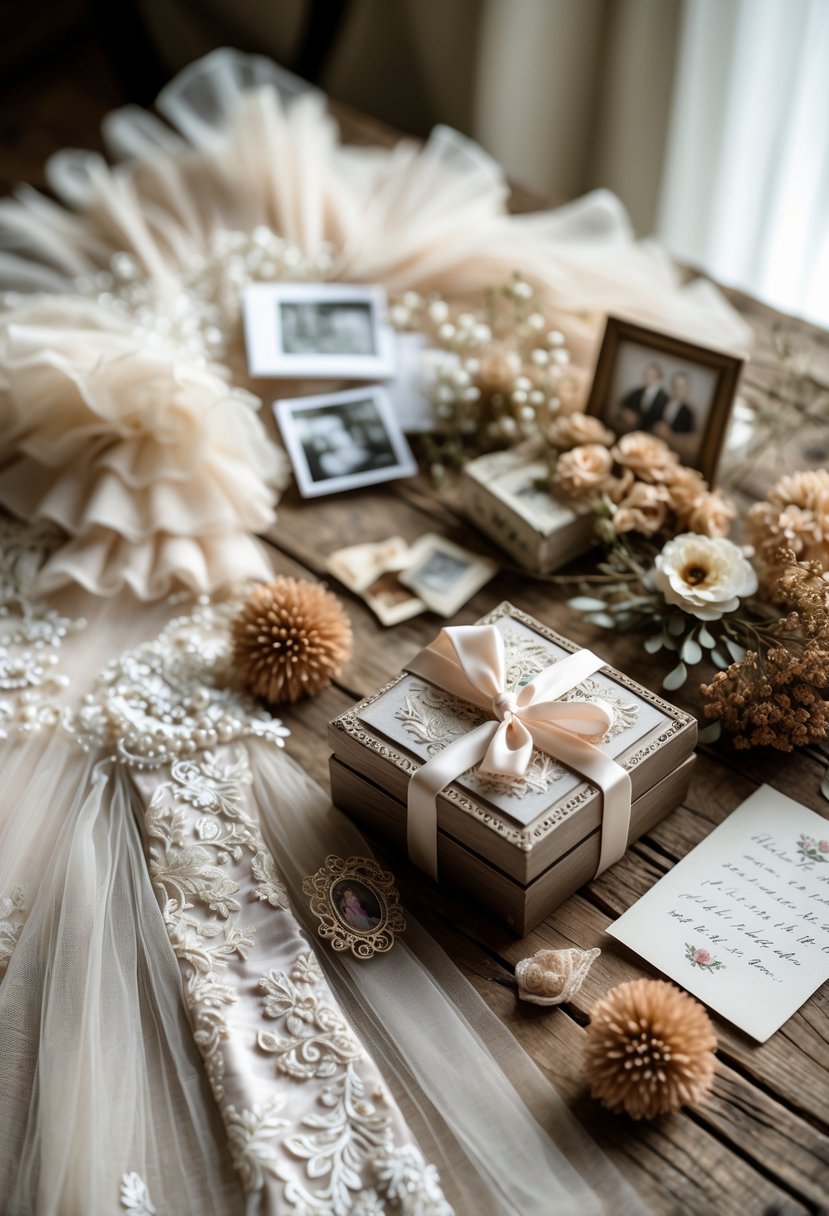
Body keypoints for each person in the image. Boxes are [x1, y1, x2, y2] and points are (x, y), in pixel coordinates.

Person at [619, 362, 668, 430]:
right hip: (632, 430)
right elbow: (623, 404)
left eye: (651, 375)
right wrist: (626, 413)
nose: (647, 378)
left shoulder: (664, 398)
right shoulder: (637, 392)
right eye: (646, 375)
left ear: (658, 377)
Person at [652, 371, 696, 438]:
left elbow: (688, 437)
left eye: (681, 387)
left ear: (687, 389)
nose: (677, 390)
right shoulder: (661, 401)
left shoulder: (689, 413)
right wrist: (655, 426)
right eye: (675, 386)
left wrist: (670, 435)